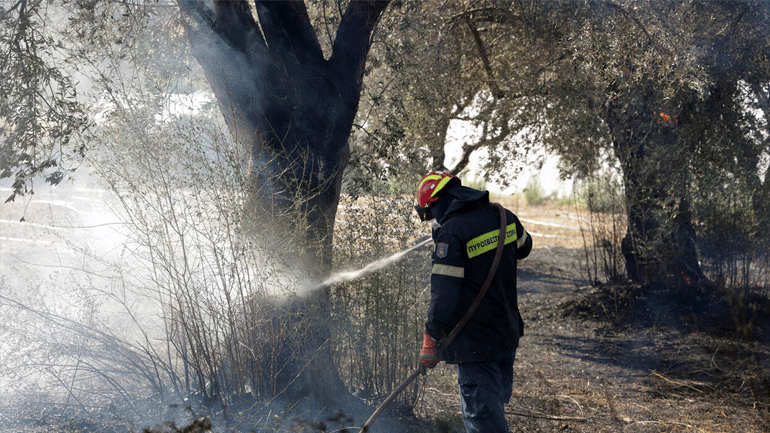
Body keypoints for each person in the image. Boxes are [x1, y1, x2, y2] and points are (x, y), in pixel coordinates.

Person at [414, 171, 532, 433]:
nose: (433, 221)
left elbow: (443, 296)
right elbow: (525, 247)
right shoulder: (504, 216)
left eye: (431, 214)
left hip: (476, 345)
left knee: (484, 423)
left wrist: (431, 338)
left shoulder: (452, 233)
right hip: (506, 335)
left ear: (438, 201)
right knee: (493, 414)